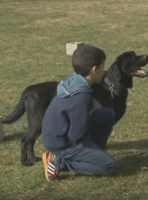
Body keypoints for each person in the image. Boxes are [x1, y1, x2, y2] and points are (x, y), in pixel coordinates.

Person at [41, 44, 116, 182]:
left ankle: (94, 154)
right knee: (109, 165)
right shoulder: (82, 98)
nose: (104, 71)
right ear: (94, 69)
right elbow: (77, 135)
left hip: (56, 133)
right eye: (103, 67)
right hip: (62, 143)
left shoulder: (74, 80)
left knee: (106, 115)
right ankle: (58, 162)